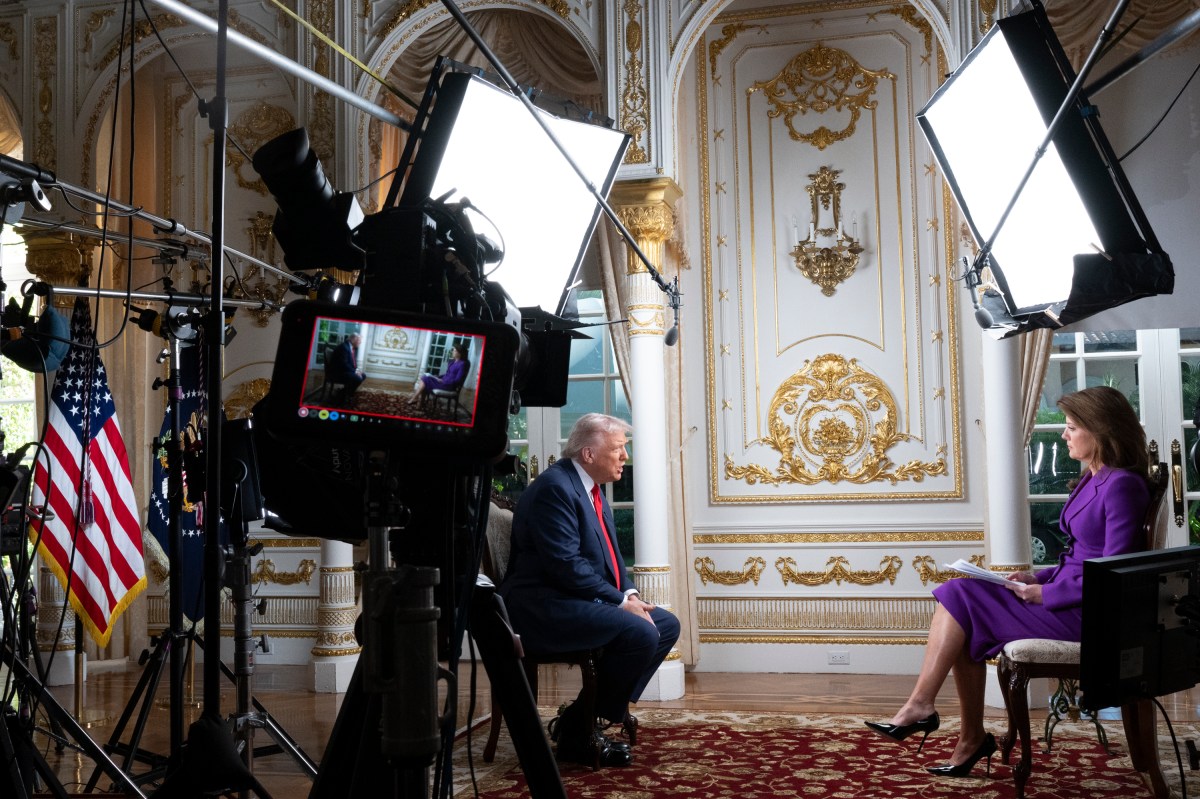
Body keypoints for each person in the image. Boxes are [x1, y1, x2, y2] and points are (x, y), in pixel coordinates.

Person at [865, 386, 1151, 778]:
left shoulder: (1121, 484)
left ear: (1099, 430)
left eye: (1070, 427)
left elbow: (1113, 572)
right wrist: (1036, 576)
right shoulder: (1093, 477)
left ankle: (927, 710)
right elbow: (1080, 558)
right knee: (962, 605)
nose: (1064, 435)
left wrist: (1043, 593)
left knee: (958, 595)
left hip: (1089, 615)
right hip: (1069, 597)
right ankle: (961, 733)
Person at [499, 413, 680, 768]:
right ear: (588, 454)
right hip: (542, 605)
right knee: (641, 631)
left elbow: (612, 559)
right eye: (618, 449)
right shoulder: (556, 488)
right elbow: (565, 565)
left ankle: (577, 722)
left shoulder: (591, 489)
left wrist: (628, 595)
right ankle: (580, 732)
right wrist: (617, 602)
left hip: (571, 596)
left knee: (667, 625)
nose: (625, 457)